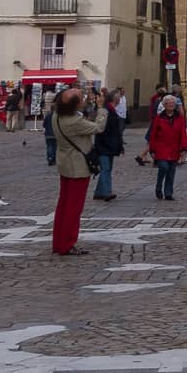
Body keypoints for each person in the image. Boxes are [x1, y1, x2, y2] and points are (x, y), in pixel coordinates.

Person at [50, 87, 108, 255]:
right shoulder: (74, 121)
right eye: (80, 98)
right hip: (78, 167)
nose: (84, 99)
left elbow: (79, 115)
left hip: (65, 164)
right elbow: (99, 127)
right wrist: (102, 108)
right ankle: (67, 244)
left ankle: (58, 242)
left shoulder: (57, 116)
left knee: (63, 205)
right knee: (73, 208)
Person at [147, 94, 187, 200]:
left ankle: (168, 193)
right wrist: (152, 149)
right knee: (164, 167)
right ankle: (159, 187)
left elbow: (183, 133)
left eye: (172, 103)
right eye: (168, 103)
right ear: (164, 105)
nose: (171, 105)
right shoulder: (158, 118)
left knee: (171, 171)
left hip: (174, 148)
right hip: (161, 148)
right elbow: (153, 135)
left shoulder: (179, 118)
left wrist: (184, 148)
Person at [92, 87, 125, 201]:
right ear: (114, 99)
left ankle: (99, 192)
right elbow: (103, 129)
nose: (120, 98)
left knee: (107, 168)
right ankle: (107, 192)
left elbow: (116, 132)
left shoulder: (111, 110)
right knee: (106, 168)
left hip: (109, 145)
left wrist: (120, 145)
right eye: (118, 96)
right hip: (104, 145)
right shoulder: (106, 111)